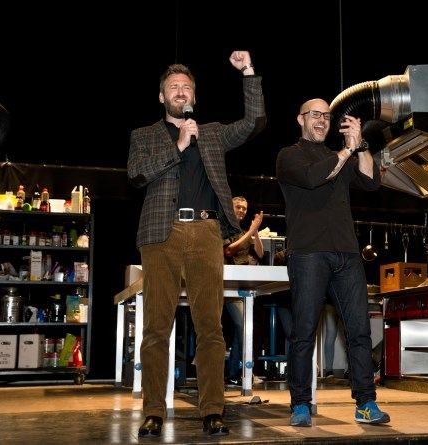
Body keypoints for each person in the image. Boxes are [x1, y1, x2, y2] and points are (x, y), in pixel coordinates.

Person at [127, 51, 265, 438]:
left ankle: (212, 410)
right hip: (162, 234)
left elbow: (254, 122)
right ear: (161, 96)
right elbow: (136, 174)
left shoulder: (213, 133)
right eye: (173, 87)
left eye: (186, 87)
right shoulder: (144, 136)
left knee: (210, 327)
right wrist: (179, 145)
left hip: (206, 233)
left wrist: (248, 73)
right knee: (156, 327)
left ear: (194, 95)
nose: (180, 91)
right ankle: (154, 411)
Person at [275, 98, 390, 426]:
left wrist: (361, 145)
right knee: (304, 331)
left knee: (359, 331)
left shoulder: (340, 154)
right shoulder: (289, 156)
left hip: (347, 253)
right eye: (315, 114)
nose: (322, 120)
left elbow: (370, 181)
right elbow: (316, 177)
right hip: (308, 253)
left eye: (327, 115)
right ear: (301, 119)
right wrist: (346, 150)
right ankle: (300, 404)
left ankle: (365, 403)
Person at [223, 196, 264, 386]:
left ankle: (233, 373)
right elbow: (229, 251)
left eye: (244, 208)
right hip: (227, 285)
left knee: (244, 328)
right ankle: (246, 371)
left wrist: (255, 233)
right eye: (238, 207)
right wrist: (251, 232)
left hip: (243, 286)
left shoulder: (242, 231)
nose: (241, 210)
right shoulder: (225, 227)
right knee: (242, 327)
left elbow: (260, 253)